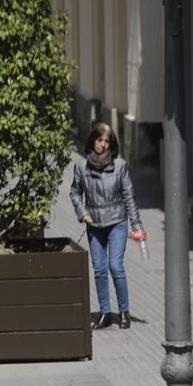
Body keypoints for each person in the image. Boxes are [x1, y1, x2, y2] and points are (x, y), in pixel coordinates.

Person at [70, 121, 146, 330]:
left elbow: (129, 197)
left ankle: (124, 312)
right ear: (92, 140)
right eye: (99, 139)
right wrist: (82, 213)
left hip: (116, 222)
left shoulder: (120, 166)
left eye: (107, 141)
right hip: (94, 224)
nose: (103, 145)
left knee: (115, 266)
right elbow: (75, 192)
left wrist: (137, 226)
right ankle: (105, 313)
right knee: (99, 269)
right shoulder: (81, 166)